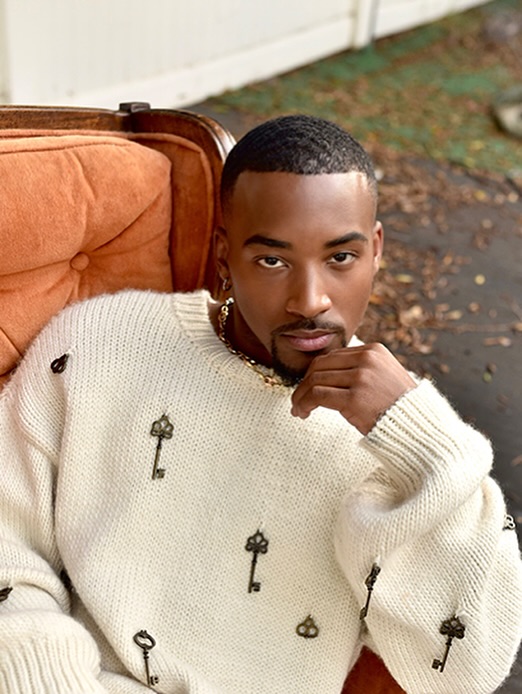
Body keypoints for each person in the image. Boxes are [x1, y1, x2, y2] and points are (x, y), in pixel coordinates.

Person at [0, 114, 520, 694]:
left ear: (375, 251)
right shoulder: (99, 342)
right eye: (273, 260)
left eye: (340, 258)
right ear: (225, 258)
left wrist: (426, 446)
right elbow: (6, 548)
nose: (310, 300)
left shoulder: (395, 435)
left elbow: (467, 668)